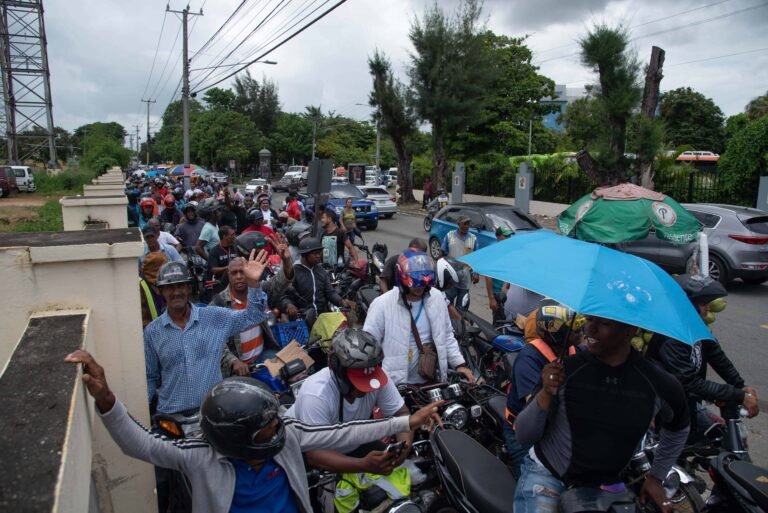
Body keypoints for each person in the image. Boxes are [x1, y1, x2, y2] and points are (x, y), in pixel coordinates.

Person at [64, 350, 443, 513]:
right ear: (236, 438)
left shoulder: (285, 436)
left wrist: (405, 422)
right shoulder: (199, 458)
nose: (279, 429)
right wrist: (107, 399)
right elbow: (140, 444)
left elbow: (342, 433)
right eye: (268, 428)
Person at [513, 315, 690, 513]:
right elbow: (523, 435)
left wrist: (656, 477)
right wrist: (545, 394)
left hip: (607, 487)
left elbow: (678, 427)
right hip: (549, 478)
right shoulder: (566, 370)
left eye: (605, 324)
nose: (591, 329)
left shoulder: (658, 382)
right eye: (590, 320)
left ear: (630, 330)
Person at [286, 329, 413, 512]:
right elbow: (315, 454)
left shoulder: (376, 377)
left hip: (351, 441)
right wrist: (363, 465)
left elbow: (402, 415)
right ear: (338, 370)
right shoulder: (316, 394)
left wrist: (403, 449)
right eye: (359, 381)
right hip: (306, 453)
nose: (366, 389)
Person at [144, 252, 269, 416]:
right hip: (171, 416)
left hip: (210, 413)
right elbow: (150, 377)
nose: (176, 292)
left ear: (189, 288)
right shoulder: (152, 332)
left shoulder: (213, 317)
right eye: (169, 287)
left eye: (180, 286)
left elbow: (254, 316)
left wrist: (253, 284)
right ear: (161, 292)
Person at [646, 273, 759, 441]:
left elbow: (717, 356)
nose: (707, 308)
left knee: (723, 437)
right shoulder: (671, 338)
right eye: (703, 303)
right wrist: (736, 395)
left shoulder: (696, 329)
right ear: (688, 306)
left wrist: (740, 385)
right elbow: (689, 382)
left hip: (688, 403)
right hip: (666, 409)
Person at [363, 250, 474, 386]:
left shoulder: (437, 298)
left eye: (423, 285)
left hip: (431, 381)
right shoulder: (382, 304)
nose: (419, 289)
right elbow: (368, 345)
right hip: (394, 385)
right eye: (415, 285)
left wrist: (460, 365)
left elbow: (447, 336)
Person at [502, 301, 581, 480]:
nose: (580, 332)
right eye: (573, 329)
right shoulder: (529, 359)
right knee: (533, 485)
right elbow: (536, 408)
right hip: (524, 432)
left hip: (558, 428)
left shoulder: (575, 350)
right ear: (557, 334)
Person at [214, 235, 295, 375]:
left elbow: (281, 282)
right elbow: (216, 342)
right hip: (240, 369)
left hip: (263, 356)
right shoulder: (218, 304)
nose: (239, 276)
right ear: (228, 275)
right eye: (234, 273)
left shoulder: (259, 291)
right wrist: (233, 361)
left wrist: (287, 261)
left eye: (243, 272)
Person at [280, 237, 354, 329]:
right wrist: (289, 305)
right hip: (302, 318)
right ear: (304, 255)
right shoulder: (293, 272)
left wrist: (341, 301)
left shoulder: (321, 271)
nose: (319, 256)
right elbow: (284, 295)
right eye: (315, 253)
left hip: (322, 317)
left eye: (320, 252)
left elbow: (330, 292)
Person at [484, 226, 512, 322]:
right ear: (498, 237)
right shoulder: (493, 253)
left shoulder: (510, 251)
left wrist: (506, 284)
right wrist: (491, 298)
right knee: (499, 323)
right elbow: (488, 277)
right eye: (506, 236)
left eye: (509, 236)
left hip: (510, 293)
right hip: (498, 294)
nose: (509, 239)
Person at [206, 225, 236, 296]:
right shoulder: (215, 251)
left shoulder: (236, 248)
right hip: (220, 281)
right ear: (224, 236)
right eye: (232, 235)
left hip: (235, 279)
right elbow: (214, 269)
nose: (235, 236)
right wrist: (229, 267)